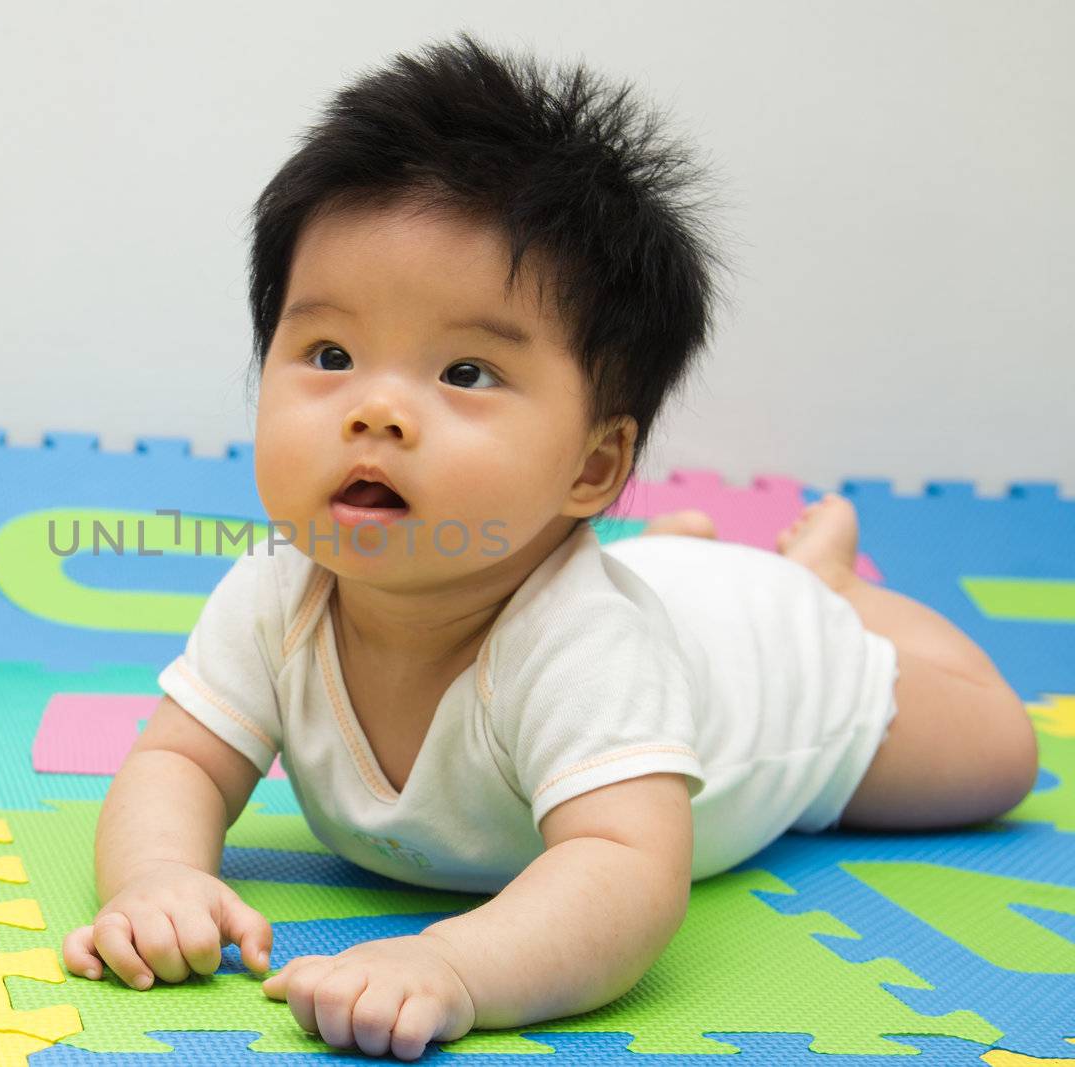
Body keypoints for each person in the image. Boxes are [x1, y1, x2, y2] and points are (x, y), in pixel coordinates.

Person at [61, 32, 1039, 1061]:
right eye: (330, 353)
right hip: (666, 597)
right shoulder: (276, 590)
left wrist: (449, 963)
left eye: (468, 372)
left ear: (592, 466)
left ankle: (826, 585)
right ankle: (692, 554)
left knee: (993, 756)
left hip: (780, 668)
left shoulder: (584, 648)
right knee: (673, 587)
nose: (377, 409)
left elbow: (625, 869)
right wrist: (158, 877)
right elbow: (178, 756)